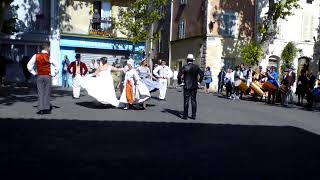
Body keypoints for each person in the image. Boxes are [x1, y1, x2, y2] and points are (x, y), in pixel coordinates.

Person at [27, 43, 59, 114]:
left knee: (40, 92)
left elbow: (29, 65)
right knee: (47, 92)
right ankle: (46, 109)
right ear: (47, 48)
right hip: (47, 76)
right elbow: (57, 65)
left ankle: (41, 109)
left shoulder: (36, 55)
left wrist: (34, 73)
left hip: (39, 76)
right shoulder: (49, 56)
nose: (49, 49)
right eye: (49, 48)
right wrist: (53, 74)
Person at [178, 54, 204, 120]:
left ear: (187, 60)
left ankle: (185, 115)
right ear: (193, 60)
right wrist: (199, 82)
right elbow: (202, 74)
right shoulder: (196, 67)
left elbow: (179, 75)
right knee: (193, 100)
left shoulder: (185, 66)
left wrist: (180, 82)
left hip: (186, 85)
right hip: (194, 86)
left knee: (186, 101)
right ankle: (193, 115)